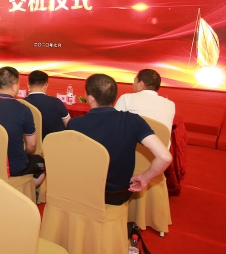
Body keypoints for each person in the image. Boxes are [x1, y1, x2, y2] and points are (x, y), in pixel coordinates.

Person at [68, 74, 173, 205]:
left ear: (90, 98)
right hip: (118, 195)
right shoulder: (134, 121)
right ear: (114, 96)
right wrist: (144, 178)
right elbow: (165, 157)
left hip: (84, 192)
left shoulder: (75, 124)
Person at [0, 67, 45, 187]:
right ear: (14, 86)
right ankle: (23, 190)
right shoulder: (23, 110)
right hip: (14, 166)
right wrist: (23, 152)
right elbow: (32, 145)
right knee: (42, 163)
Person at [115, 69, 176, 138]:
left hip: (132, 143)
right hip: (161, 144)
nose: (133, 84)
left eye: (134, 81)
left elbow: (113, 124)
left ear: (141, 84)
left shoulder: (127, 98)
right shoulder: (170, 105)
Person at [24, 70, 70, 137]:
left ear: (28, 85)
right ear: (46, 85)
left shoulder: (22, 103)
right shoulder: (56, 102)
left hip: (30, 142)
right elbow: (69, 125)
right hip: (54, 142)